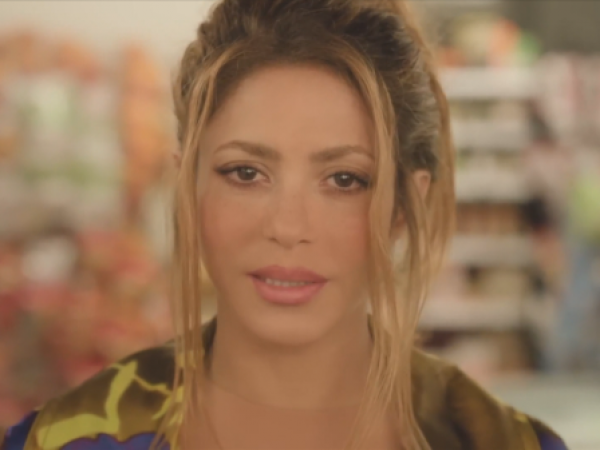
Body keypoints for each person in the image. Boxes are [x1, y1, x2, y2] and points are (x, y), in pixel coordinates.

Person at [1, 1, 568, 449]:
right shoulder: (68, 438)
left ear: (404, 206)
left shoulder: (501, 442)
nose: (288, 226)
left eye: (344, 179)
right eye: (245, 173)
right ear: (187, 187)